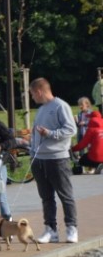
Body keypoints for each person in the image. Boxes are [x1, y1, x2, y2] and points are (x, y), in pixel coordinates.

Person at [29, 78, 78, 244]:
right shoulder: (41, 110)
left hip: (57, 159)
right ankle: (51, 229)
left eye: (32, 93)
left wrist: (50, 134)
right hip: (39, 159)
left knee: (65, 195)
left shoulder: (60, 106)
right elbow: (35, 133)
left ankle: (71, 228)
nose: (32, 97)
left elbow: (71, 129)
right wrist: (32, 150)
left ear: (39, 91)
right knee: (46, 197)